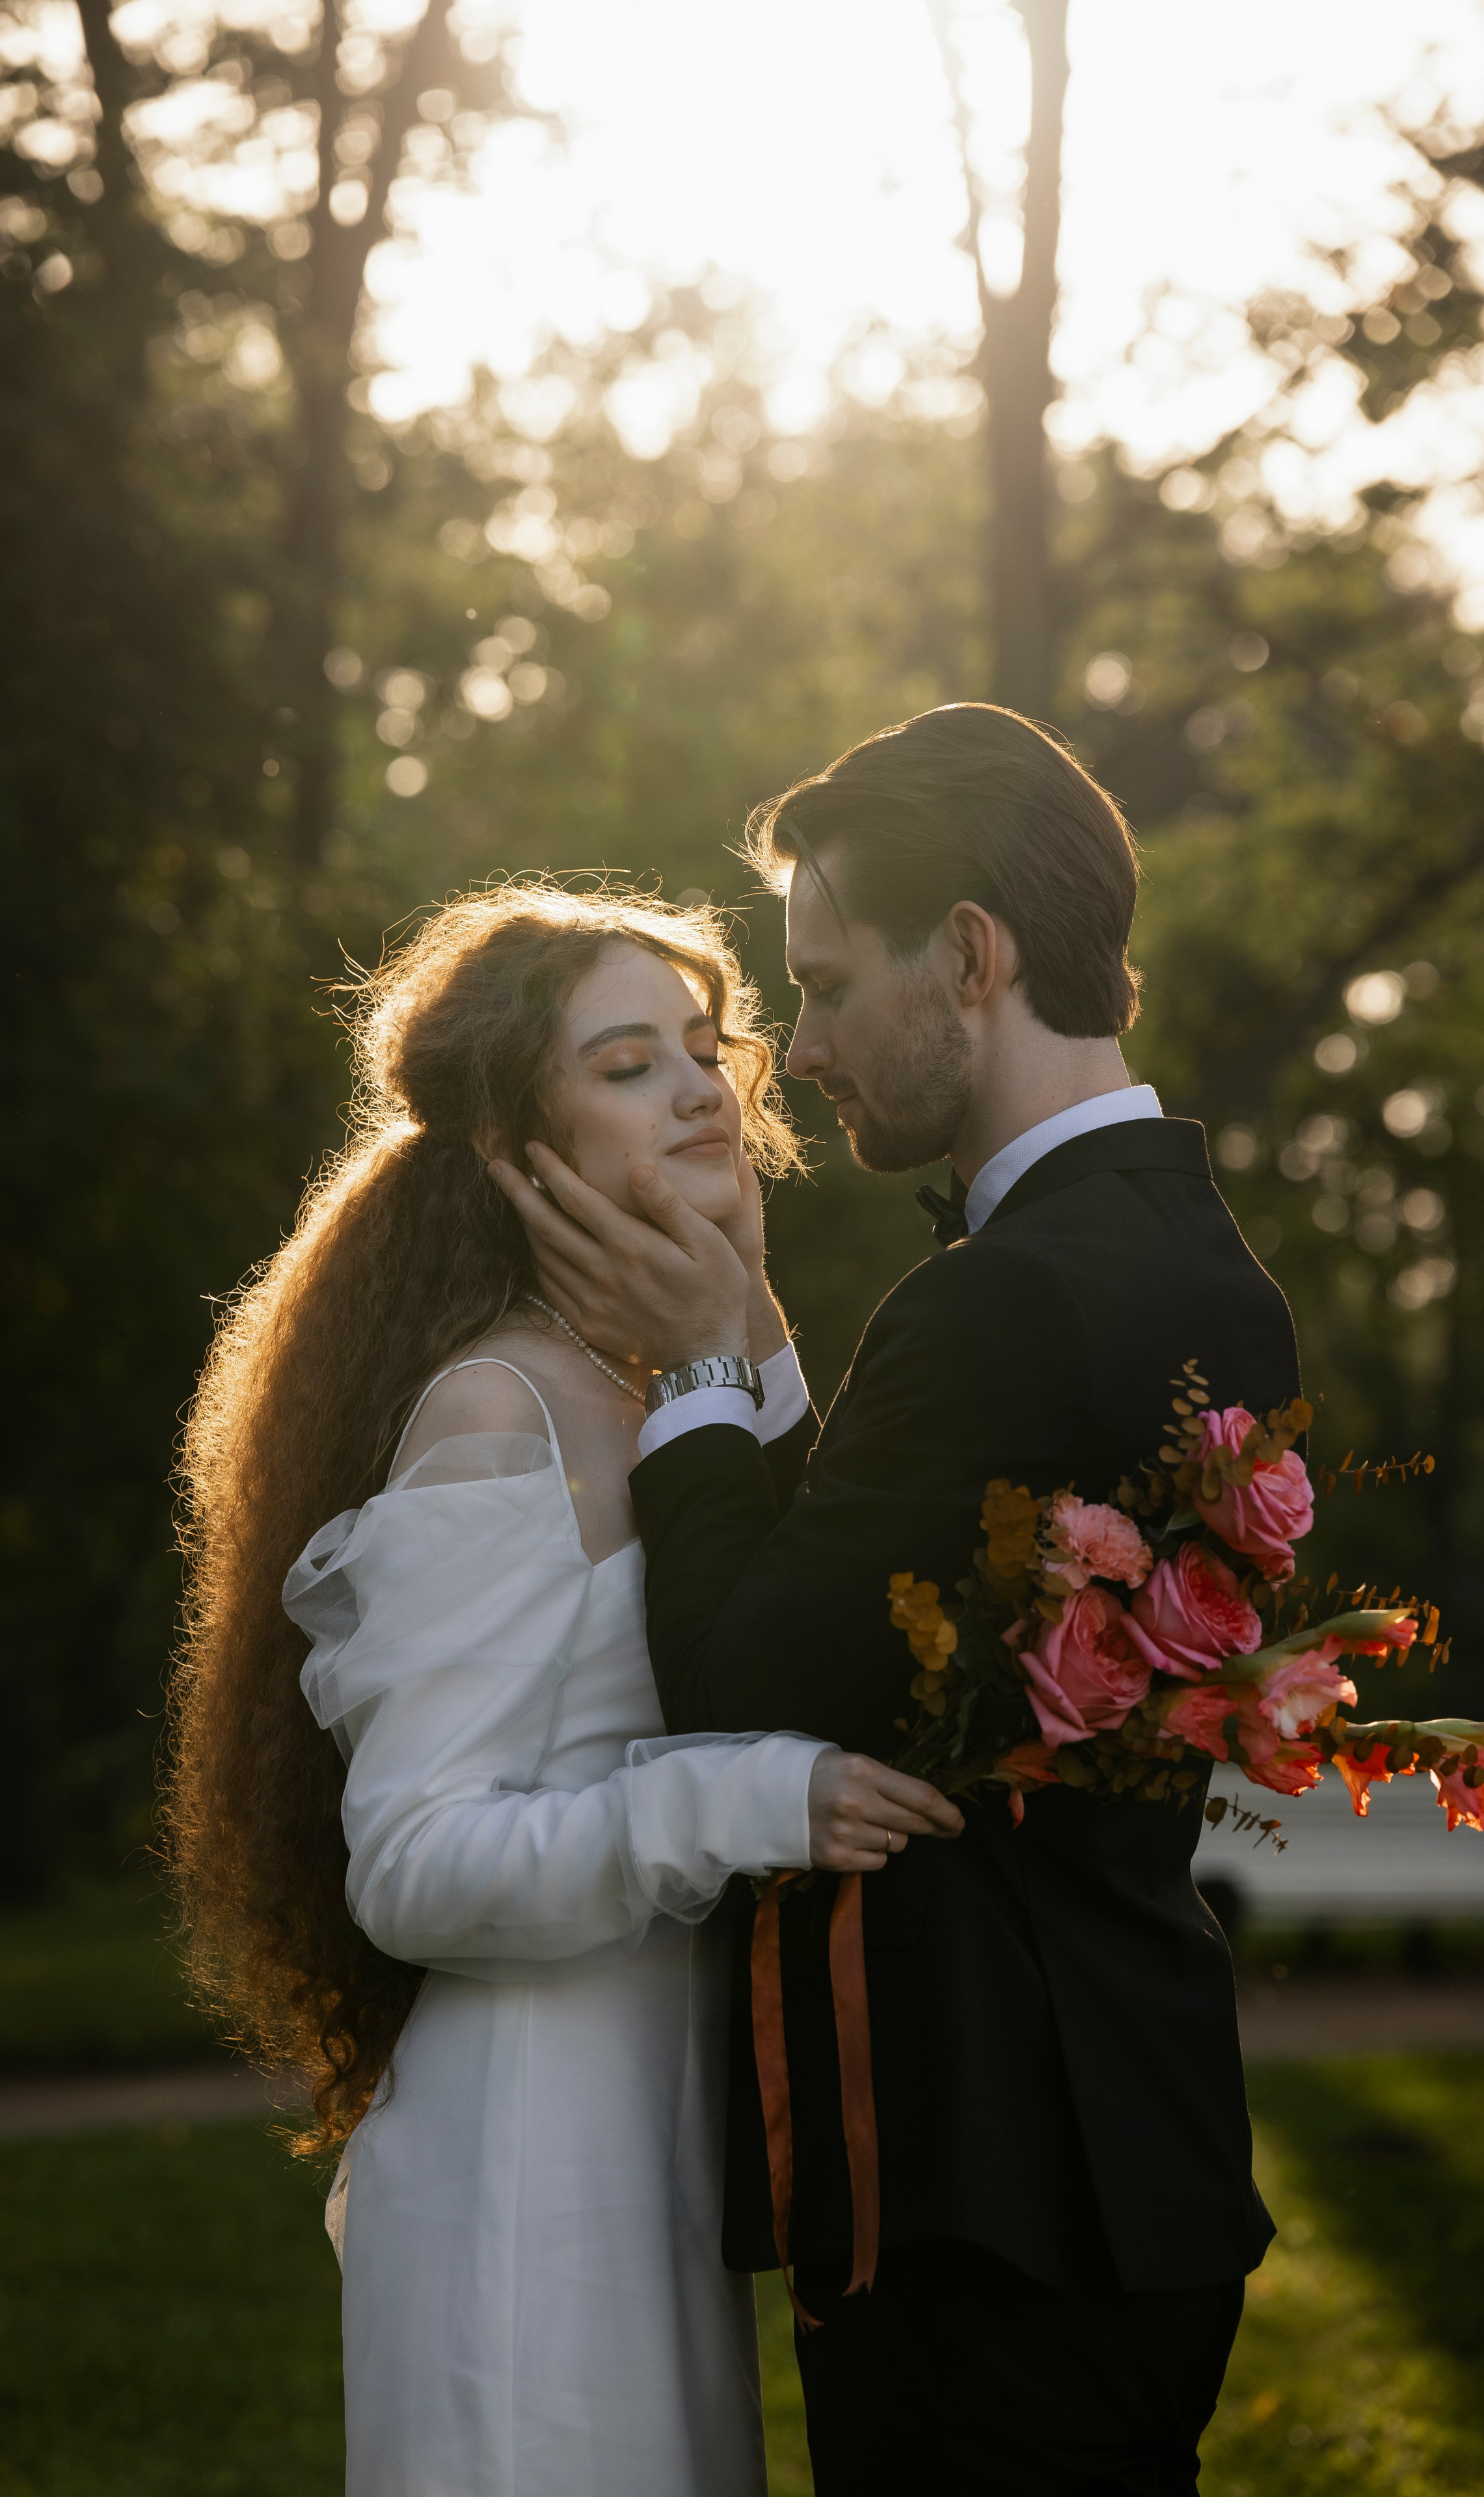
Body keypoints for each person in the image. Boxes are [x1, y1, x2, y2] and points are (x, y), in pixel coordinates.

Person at [492, 705, 1301, 2497]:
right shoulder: (1194, 1257)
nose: (801, 1050)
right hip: (1132, 2145)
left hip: (980, 2186)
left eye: (828, 983)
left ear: (971, 954)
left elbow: (737, 1675)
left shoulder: (999, 1301)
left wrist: (705, 1361)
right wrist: (764, 1352)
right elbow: (871, 1594)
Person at [167, 880, 957, 2497]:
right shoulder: (495, 1412)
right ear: (508, 1143)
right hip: (525, 2167)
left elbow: (796, 1620)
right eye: (622, 1063)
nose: (693, 1087)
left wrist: (743, 1315)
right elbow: (411, 1859)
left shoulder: (653, 1381)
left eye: (699, 1046)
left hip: (655, 2143)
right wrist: (746, 1799)